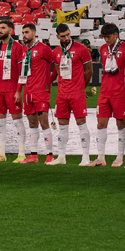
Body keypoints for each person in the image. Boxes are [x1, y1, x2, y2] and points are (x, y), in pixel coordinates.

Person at [48, 23, 93, 166]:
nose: (67, 38)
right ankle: (61, 157)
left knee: (81, 123)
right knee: (62, 125)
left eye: (68, 34)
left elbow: (89, 70)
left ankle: (85, 156)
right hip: (62, 93)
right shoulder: (55, 52)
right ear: (57, 37)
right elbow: (57, 71)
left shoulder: (81, 49)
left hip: (77, 93)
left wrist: (82, 87)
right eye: (63, 36)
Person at [0, 19, 27, 162]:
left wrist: (18, 90)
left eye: (3, 28)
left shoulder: (17, 47)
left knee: (17, 121)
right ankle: (1, 154)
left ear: (11, 30)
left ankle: (22, 153)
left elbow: (22, 70)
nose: (0, 31)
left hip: (12, 90)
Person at [93, 23, 125, 166]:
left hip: (120, 93)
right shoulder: (103, 49)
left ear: (116, 35)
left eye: (108, 37)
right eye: (104, 37)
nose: (106, 40)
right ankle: (101, 157)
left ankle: (120, 157)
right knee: (100, 124)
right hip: (104, 92)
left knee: (120, 123)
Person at [17, 23, 55, 164]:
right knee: (32, 124)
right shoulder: (23, 50)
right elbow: (22, 72)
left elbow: (55, 65)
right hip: (28, 92)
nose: (24, 35)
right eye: (23, 32)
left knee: (44, 123)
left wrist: (49, 81)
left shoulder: (44, 49)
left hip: (40, 92)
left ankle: (50, 155)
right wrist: (19, 91)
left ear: (34, 33)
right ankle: (33, 155)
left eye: (26, 32)